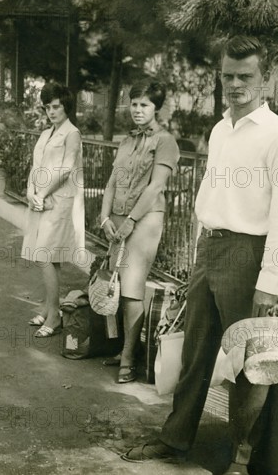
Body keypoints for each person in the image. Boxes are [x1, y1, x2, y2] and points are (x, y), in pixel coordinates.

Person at [121, 36, 278, 475]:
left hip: (249, 253)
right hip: (211, 249)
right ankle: (176, 438)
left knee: (249, 365)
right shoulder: (221, 129)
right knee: (194, 354)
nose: (235, 84)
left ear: (265, 79)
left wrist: (270, 281)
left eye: (246, 76)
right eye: (228, 76)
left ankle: (242, 458)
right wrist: (199, 253)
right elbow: (211, 192)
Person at [99, 81, 180, 383]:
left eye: (144, 104)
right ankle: (123, 348)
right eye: (134, 103)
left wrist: (130, 220)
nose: (137, 109)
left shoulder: (165, 141)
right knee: (116, 287)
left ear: (156, 108)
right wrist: (105, 217)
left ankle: (130, 359)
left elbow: (156, 186)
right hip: (118, 218)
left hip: (144, 220)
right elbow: (111, 181)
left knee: (133, 288)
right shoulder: (125, 141)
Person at [22, 82, 84, 338]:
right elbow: (36, 167)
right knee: (50, 257)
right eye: (47, 107)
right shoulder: (47, 133)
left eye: (56, 106)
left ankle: (55, 314)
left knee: (44, 255)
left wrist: (43, 194)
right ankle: (48, 307)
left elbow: (66, 168)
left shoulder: (72, 133)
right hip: (40, 200)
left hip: (59, 201)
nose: (51, 111)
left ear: (66, 106)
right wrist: (30, 193)